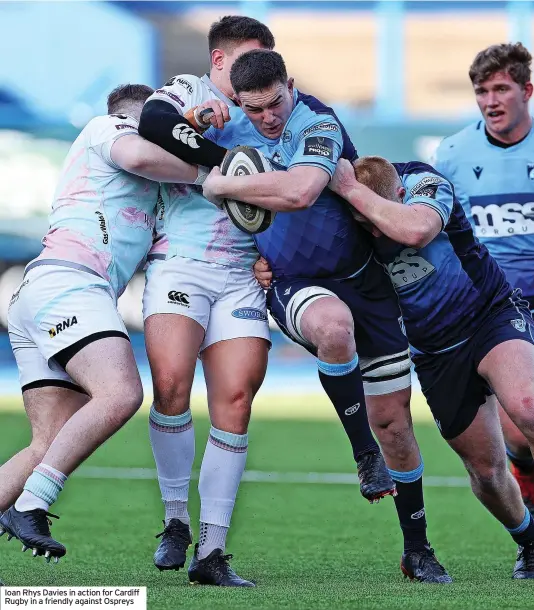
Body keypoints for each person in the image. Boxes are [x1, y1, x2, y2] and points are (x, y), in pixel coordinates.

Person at [199, 49, 452, 584]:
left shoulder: (317, 123)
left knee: (398, 426)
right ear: (237, 100)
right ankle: (364, 455)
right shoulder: (226, 129)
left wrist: (221, 185)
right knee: (333, 328)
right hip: (295, 283)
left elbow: (303, 190)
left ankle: (418, 549)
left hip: (366, 280)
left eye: (275, 103)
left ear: (290, 85)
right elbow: (156, 134)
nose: (268, 117)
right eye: (255, 108)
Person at [323, 154, 534, 579]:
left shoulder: (423, 181)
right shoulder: (350, 220)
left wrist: (351, 190)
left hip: (490, 315)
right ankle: (530, 544)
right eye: (363, 222)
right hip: (435, 353)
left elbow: (418, 229)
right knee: (487, 472)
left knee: (529, 406)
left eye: (376, 217)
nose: (373, 229)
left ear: (398, 194)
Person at [0, 84, 201, 561]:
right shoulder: (108, 128)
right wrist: (211, 170)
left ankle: (24, 497)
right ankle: (31, 503)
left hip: (46, 292)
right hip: (70, 284)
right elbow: (141, 154)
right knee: (121, 393)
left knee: (47, 445)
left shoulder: (149, 186)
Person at [137, 16, 276, 586]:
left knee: (236, 399)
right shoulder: (190, 93)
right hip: (181, 263)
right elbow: (153, 121)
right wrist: (218, 157)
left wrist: (278, 256)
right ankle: (174, 519)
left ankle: (212, 551)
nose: (254, 72)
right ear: (218, 61)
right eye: (244, 59)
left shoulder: (274, 112)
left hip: (243, 274)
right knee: (170, 384)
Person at [434, 42, 534, 531]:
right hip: (496, 316)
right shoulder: (451, 155)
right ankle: (528, 481)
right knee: (519, 428)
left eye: (501, 89)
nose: (491, 100)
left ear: (526, 90)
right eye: (481, 91)